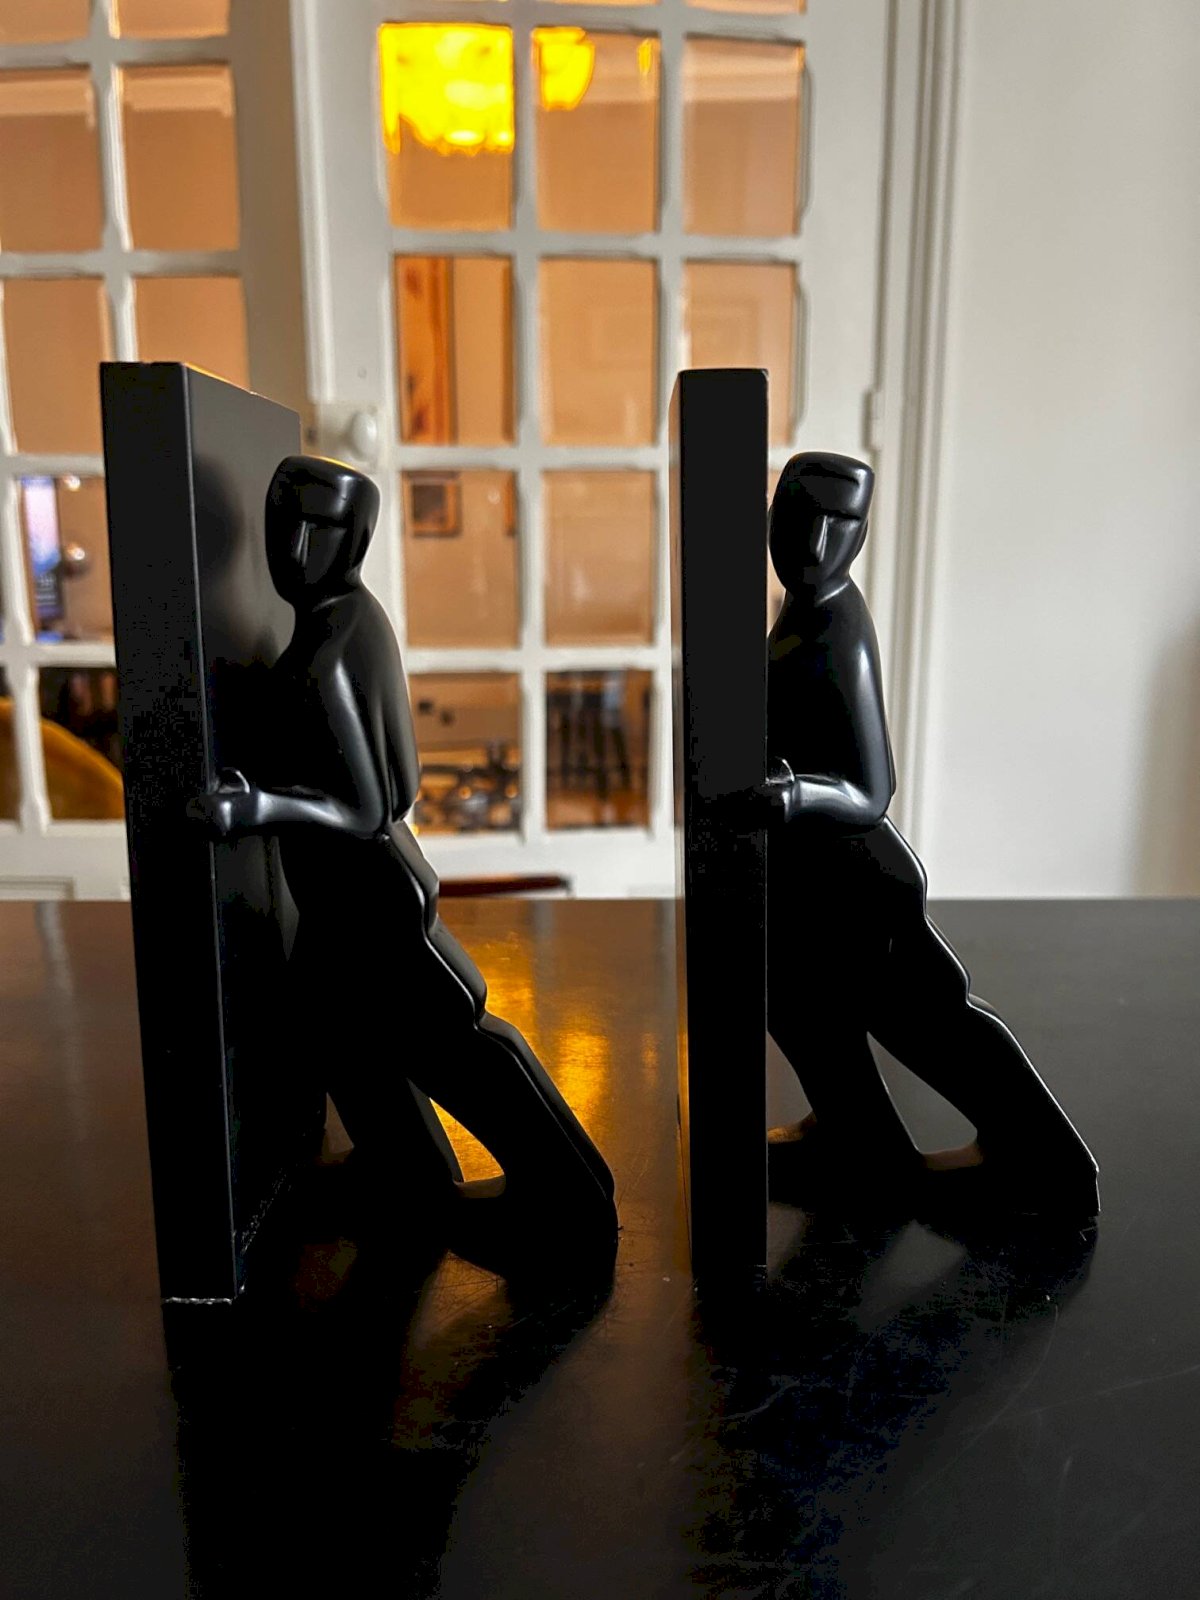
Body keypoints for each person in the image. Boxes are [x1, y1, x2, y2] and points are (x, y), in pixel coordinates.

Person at [189, 455, 618, 1270]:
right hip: (355, 888)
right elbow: (406, 783)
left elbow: (362, 808)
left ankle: (566, 1200)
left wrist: (260, 807)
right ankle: (401, 1170)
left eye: (321, 529)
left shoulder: (324, 656)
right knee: (334, 1031)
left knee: (444, 1040)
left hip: (366, 892)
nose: (296, 548)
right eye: (285, 525)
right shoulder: (357, 622)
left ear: (355, 538)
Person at [754, 451, 1099, 1216]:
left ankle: (1043, 1157)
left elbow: (871, 789)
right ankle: (858, 1141)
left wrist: (793, 792)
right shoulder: (802, 614)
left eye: (839, 525)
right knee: (804, 1012)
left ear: (861, 533)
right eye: (801, 520)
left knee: (923, 1021)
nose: (816, 544)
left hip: (859, 881)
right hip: (812, 877)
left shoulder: (839, 629)